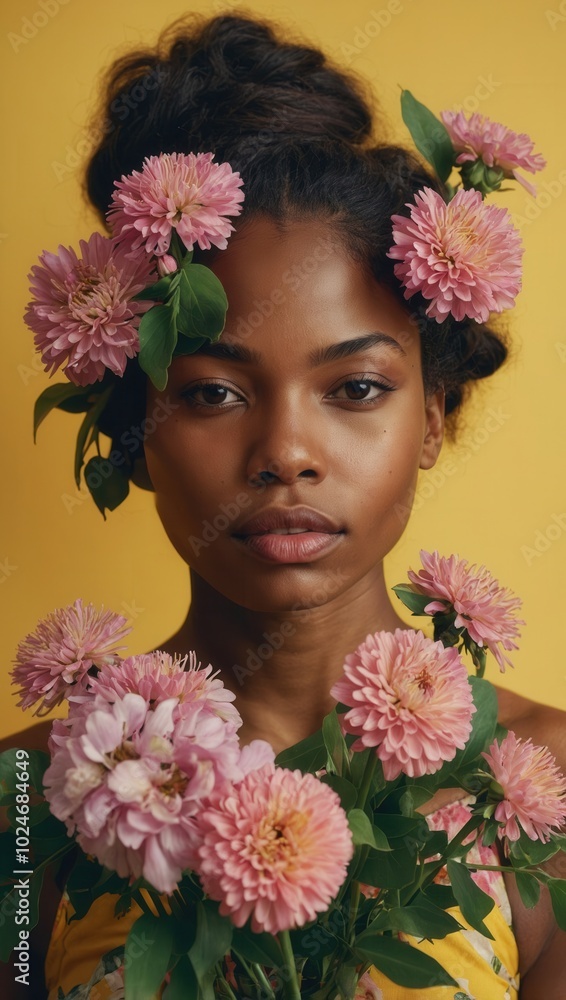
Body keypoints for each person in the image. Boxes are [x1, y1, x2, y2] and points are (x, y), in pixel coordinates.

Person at [2, 11, 565, 999]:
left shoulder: (540, 788)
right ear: (134, 430)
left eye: (353, 388)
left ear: (433, 413)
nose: (284, 455)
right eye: (214, 392)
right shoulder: (23, 800)